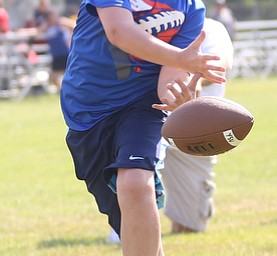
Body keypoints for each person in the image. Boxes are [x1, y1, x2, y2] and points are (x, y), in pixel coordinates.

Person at [60, 1, 226, 255]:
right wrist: (181, 58)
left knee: (135, 181)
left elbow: (168, 83)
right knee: (126, 222)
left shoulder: (192, 8)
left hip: (143, 106)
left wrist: (180, 98)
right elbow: (119, 31)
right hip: (87, 114)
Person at [160, 18, 234, 234]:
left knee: (189, 223)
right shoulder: (148, 24)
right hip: (148, 120)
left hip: (197, 128)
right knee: (131, 179)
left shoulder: (211, 27)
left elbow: (221, 65)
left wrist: (194, 81)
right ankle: (121, 231)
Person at [38, 9, 72, 90]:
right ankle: (63, 91)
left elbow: (75, 26)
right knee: (54, 76)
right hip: (56, 55)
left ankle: (69, 92)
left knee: (69, 74)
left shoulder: (61, 22)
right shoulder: (47, 26)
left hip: (65, 52)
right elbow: (37, 31)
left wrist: (71, 38)